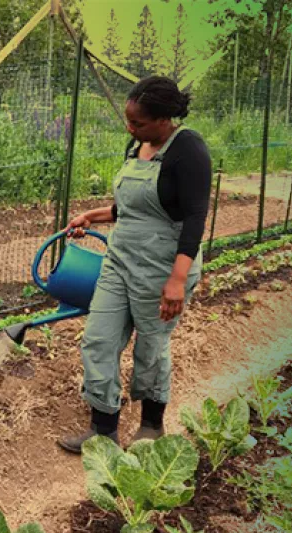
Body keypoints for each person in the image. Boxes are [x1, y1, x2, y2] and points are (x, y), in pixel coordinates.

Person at [57, 76, 212, 453]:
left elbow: (193, 217)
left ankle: (151, 427)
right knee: (99, 339)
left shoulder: (188, 150)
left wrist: (177, 279)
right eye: (130, 121)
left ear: (165, 119)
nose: (131, 128)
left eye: (139, 123)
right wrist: (91, 216)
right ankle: (103, 430)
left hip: (162, 267)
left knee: (151, 346)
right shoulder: (137, 145)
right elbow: (130, 207)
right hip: (120, 260)